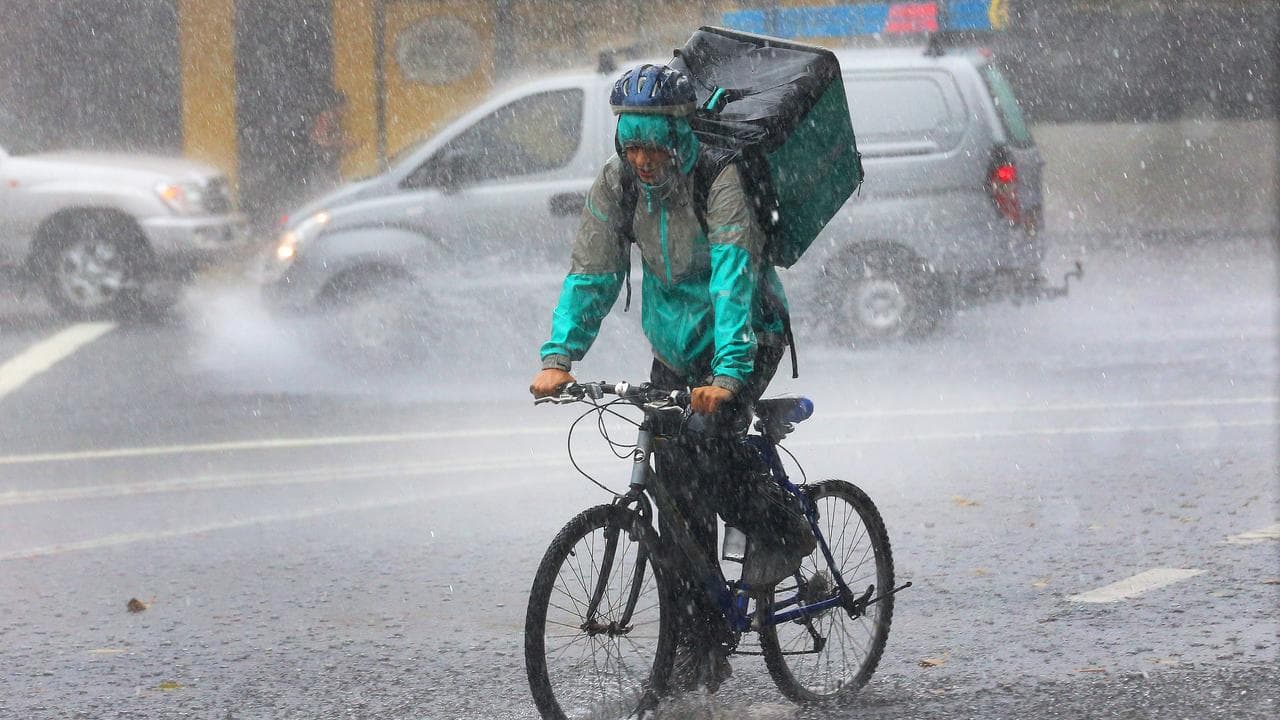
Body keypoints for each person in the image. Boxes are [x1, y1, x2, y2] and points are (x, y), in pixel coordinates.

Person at [528, 64, 816, 692]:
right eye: (632, 147)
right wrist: (559, 357)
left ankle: (786, 532)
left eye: (654, 147)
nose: (644, 161)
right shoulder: (619, 183)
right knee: (673, 488)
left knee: (707, 448)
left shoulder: (718, 177)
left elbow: (734, 274)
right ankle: (699, 637)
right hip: (677, 344)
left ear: (677, 138)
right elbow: (593, 272)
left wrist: (731, 374)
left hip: (746, 334)